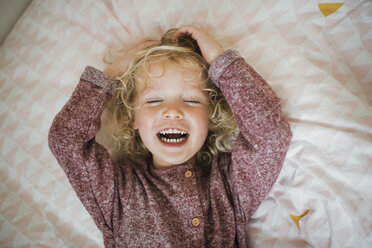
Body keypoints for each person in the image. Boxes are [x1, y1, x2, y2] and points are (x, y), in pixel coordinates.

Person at [48, 26, 292, 247]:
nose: (173, 111)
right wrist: (111, 76)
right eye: (154, 101)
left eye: (191, 100)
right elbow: (66, 140)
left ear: (210, 115)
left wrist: (222, 62)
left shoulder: (228, 183)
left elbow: (271, 135)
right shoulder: (117, 190)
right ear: (132, 117)